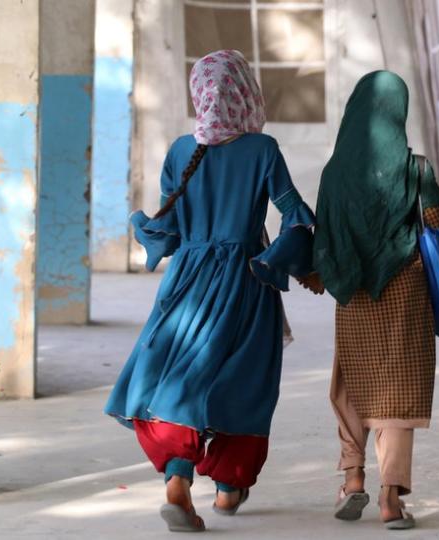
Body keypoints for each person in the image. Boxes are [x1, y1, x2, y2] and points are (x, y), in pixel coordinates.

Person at [104, 50, 321, 533]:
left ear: (198, 94)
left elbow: (171, 226)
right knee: (244, 379)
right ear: (246, 91)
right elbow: (294, 213)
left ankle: (177, 478)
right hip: (246, 280)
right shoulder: (263, 149)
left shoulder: (181, 150)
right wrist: (288, 261)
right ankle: (228, 485)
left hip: (186, 281)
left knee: (181, 374)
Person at [312, 70, 439, 531]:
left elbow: (324, 235)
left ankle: (353, 477)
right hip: (405, 290)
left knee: (352, 379)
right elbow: (436, 224)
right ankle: (391, 498)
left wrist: (331, 273)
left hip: (354, 292)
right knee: (398, 389)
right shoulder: (418, 171)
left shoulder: (334, 173)